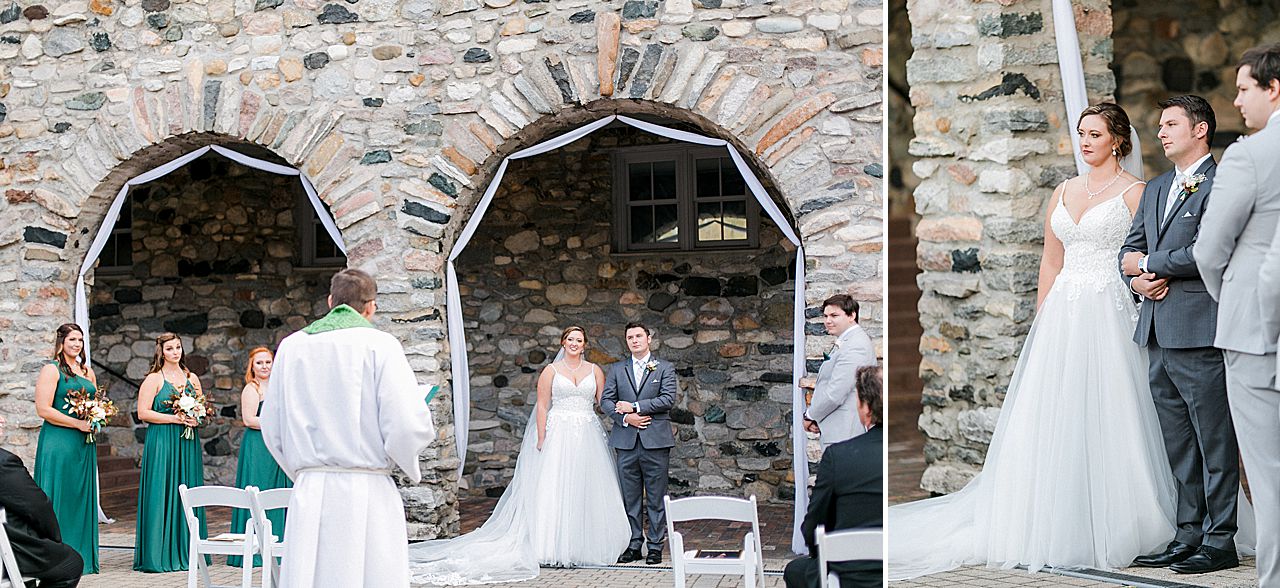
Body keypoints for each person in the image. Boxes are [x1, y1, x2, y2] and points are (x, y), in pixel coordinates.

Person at [888, 103, 1177, 579]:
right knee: (1055, 413)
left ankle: (1122, 519)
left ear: (1118, 141)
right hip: (1063, 313)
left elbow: (1140, 255)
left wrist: (1140, 283)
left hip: (1109, 309)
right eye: (1081, 133)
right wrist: (1044, 316)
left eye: (1095, 134)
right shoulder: (1063, 190)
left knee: (1114, 409)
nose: (1085, 142)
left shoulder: (1136, 193)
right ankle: (1050, 515)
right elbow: (1051, 260)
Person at [1118, 95, 1241, 573]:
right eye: (1160, 125)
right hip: (1155, 331)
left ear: (1201, 130)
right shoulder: (1155, 188)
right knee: (1178, 442)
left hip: (1199, 330)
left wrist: (1149, 263)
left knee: (1214, 440)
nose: (1161, 133)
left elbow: (1207, 250)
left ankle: (1221, 539)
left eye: (1171, 124)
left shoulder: (1222, 182)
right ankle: (1187, 533)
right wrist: (1135, 277)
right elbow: (1129, 250)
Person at [408, 326, 630, 585]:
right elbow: (543, 405)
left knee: (586, 487)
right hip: (558, 433)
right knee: (554, 486)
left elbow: (603, 402)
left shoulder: (595, 371)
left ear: (584, 345)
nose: (574, 343)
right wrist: (542, 436)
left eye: (579, 340)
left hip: (587, 433)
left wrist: (623, 408)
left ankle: (587, 545)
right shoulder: (551, 371)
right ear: (563, 342)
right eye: (570, 339)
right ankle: (550, 545)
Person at [261, 268, 436, 588]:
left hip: (311, 489)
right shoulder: (381, 345)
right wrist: (404, 460)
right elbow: (407, 423)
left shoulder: (291, 346)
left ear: (330, 301)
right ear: (371, 307)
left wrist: (306, 471)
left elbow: (271, 424)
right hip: (366, 488)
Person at [1194, 43, 1280, 587]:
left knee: (1269, 476)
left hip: (1256, 333)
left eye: (1245, 87)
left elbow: (1208, 250)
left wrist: (1233, 302)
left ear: (1274, 88)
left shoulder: (1250, 155)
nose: (1237, 99)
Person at [784, 365, 883, 588]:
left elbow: (813, 525)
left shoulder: (839, 456)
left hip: (850, 574)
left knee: (795, 571)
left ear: (866, 408)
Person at [600, 322, 678, 566]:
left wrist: (635, 407)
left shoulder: (664, 368)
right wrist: (625, 418)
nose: (634, 340)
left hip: (655, 441)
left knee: (656, 496)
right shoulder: (616, 369)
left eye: (638, 336)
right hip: (626, 441)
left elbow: (667, 399)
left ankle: (655, 546)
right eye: (630, 337)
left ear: (648, 339)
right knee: (630, 497)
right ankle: (634, 543)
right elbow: (606, 401)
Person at [134, 332, 207, 573]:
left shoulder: (191, 377)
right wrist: (173, 418)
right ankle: (158, 553)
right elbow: (143, 413)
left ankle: (189, 549)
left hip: (187, 443)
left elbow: (202, 408)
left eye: (178, 348)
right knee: (162, 489)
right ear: (161, 352)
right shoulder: (154, 379)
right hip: (163, 441)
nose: (175, 352)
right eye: (170, 348)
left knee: (187, 488)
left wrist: (196, 418)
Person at [32, 324, 100, 574]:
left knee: (80, 495)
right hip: (59, 441)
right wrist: (76, 423)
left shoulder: (87, 371)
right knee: (58, 495)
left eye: (80, 340)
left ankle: (82, 556)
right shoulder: (51, 370)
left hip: (84, 443)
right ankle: (56, 559)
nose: (77, 344)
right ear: (61, 341)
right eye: (73, 339)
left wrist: (96, 418)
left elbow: (94, 403)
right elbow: (43, 409)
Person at [1, 414, 84, 588]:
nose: (2, 419)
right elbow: (37, 506)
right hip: (7, 550)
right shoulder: (4, 463)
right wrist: (53, 538)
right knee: (71, 564)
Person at [228, 347, 292, 568]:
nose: (265, 366)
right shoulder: (251, 389)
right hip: (258, 446)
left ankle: (281, 545)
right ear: (252, 367)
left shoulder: (278, 387)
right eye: (259, 363)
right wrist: (276, 423)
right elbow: (249, 419)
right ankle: (255, 549)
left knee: (280, 490)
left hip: (278, 445)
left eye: (268, 362)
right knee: (260, 488)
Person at [803, 294, 877, 446]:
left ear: (852, 315)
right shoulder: (848, 341)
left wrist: (810, 416)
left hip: (845, 432)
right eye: (825, 316)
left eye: (834, 315)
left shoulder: (855, 345)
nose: (828, 321)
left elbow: (835, 394)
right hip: (837, 427)